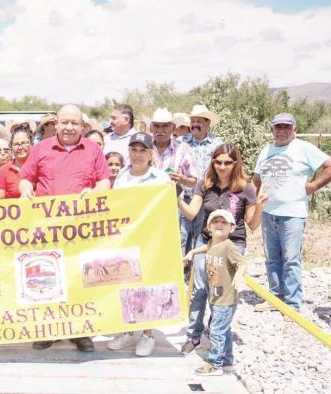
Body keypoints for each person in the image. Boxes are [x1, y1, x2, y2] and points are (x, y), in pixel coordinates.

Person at [19, 104, 110, 352]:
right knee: (48, 277)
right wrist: (26, 190)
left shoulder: (93, 150)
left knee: (80, 278)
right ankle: (48, 330)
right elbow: (26, 177)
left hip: (82, 228)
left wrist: (95, 192)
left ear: (82, 126)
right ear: (56, 124)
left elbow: (104, 181)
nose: (69, 127)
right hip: (46, 228)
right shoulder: (40, 148)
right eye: (65, 122)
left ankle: (81, 332)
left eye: (75, 123)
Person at [177, 143, 264, 354]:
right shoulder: (205, 183)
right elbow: (191, 213)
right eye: (218, 162)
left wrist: (260, 205)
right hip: (206, 242)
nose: (222, 166)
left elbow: (252, 225)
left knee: (222, 292)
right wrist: (177, 197)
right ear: (213, 162)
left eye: (227, 162)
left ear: (236, 163)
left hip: (233, 244)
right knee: (199, 289)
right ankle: (194, 334)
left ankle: (217, 330)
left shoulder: (245, 187)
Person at [253, 113, 331, 313]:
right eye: (278, 127)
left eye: (286, 127)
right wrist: (257, 203)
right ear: (272, 130)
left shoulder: (303, 148)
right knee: (271, 258)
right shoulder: (266, 150)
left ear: (294, 130)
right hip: (269, 213)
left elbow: (329, 166)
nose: (282, 131)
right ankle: (275, 297)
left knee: (291, 258)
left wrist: (313, 186)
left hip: (293, 213)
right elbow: (257, 178)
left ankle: (292, 304)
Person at [107, 132, 171, 356]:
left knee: (148, 285)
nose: (138, 154)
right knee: (125, 283)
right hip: (126, 237)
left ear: (151, 152)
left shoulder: (161, 178)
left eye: (143, 150)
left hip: (150, 239)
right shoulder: (122, 177)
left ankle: (147, 334)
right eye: (134, 149)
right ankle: (128, 330)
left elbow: (166, 210)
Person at [184, 210, 247, 376]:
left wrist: (239, 276)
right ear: (209, 226)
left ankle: (215, 364)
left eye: (224, 222)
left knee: (216, 331)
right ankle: (227, 361)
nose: (219, 224)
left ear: (231, 228)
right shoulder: (213, 243)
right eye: (215, 221)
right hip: (215, 296)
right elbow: (207, 247)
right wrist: (192, 252)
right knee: (223, 330)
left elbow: (242, 263)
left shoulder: (229, 247)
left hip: (225, 299)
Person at [150, 108, 198, 255]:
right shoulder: (144, 147)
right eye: (157, 126)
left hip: (175, 207)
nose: (160, 130)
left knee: (175, 246)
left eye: (165, 126)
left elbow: (194, 181)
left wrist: (182, 179)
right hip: (148, 207)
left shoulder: (183, 149)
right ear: (151, 127)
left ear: (172, 128)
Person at [181, 104, 223, 254]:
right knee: (182, 237)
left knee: (202, 238)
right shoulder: (181, 142)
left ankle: (199, 273)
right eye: (193, 121)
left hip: (207, 199)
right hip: (184, 198)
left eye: (199, 121)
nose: (195, 124)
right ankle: (183, 275)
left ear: (207, 123)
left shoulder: (217, 145)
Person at [0, 126, 33, 199]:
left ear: (31, 144)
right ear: (11, 148)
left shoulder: (41, 167)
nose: (20, 147)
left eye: (24, 143)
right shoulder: (3, 171)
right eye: (16, 144)